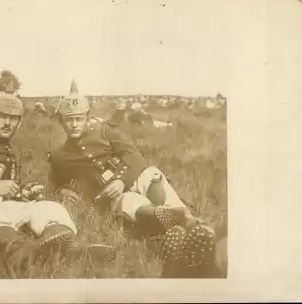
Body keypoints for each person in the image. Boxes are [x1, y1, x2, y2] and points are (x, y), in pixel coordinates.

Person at [47, 82, 221, 277]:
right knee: (128, 200)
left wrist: (121, 181)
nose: (74, 124)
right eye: (69, 120)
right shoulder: (59, 155)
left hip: (131, 179)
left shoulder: (106, 132)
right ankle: (173, 223)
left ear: (87, 118)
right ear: (61, 121)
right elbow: (56, 182)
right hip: (110, 197)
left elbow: (135, 157)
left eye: (79, 118)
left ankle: (187, 221)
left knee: (151, 173)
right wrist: (62, 191)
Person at [0, 93, 113, 278]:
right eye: (2, 117)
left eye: (13, 118)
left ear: (19, 123)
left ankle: (62, 248)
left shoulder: (10, 153)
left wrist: (22, 191)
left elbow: (6, 188)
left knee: (50, 207)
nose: (7, 122)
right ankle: (18, 251)